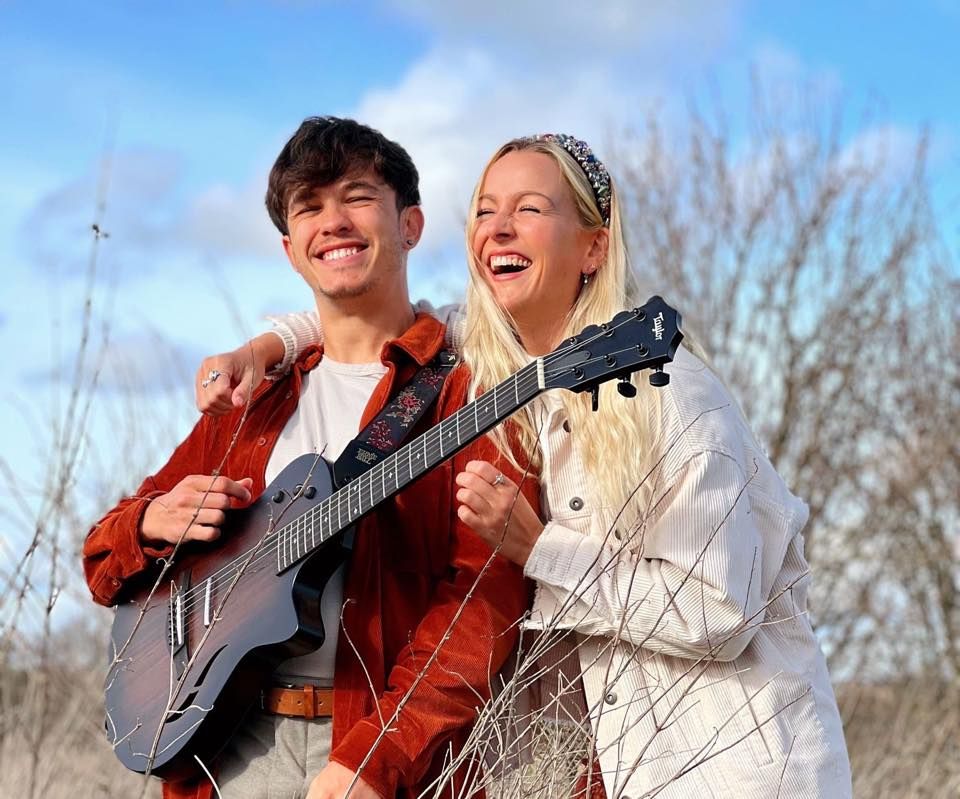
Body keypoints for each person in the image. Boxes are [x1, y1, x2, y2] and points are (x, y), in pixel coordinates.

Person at [203, 132, 853, 798]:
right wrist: (270, 344)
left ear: (593, 247)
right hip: (595, 771)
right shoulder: (500, 372)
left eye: (530, 209)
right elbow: (378, 314)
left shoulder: (671, 393)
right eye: (485, 210)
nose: (499, 228)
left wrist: (538, 548)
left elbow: (720, 610)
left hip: (725, 768)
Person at [82, 117, 530, 799]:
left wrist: (377, 756)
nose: (335, 222)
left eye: (356, 196)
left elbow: (483, 601)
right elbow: (102, 561)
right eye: (310, 206)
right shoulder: (254, 398)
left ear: (410, 225)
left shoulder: (472, 390)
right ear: (292, 250)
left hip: (373, 754)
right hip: (221, 755)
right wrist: (147, 522)